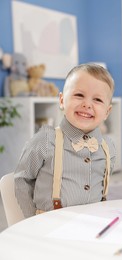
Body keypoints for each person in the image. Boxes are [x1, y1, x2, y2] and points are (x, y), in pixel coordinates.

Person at [14, 63, 116, 218]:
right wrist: (30, 220)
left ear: (107, 112)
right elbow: (22, 180)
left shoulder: (108, 148)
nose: (87, 104)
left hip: (94, 222)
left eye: (97, 100)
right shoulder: (45, 140)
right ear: (62, 100)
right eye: (79, 95)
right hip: (51, 224)